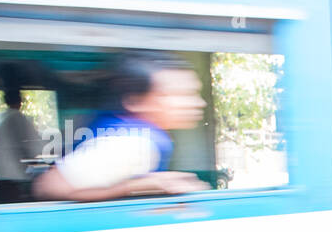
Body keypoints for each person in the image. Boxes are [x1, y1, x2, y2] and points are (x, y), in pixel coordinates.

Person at [34, 56, 209, 202]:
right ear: (135, 101)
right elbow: (50, 186)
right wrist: (135, 187)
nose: (198, 103)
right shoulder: (135, 145)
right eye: (178, 95)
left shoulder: (134, 134)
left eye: (193, 93)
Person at [0, 86, 43, 204]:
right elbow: (34, 146)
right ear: (21, 101)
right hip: (13, 180)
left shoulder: (1, 117)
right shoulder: (17, 117)